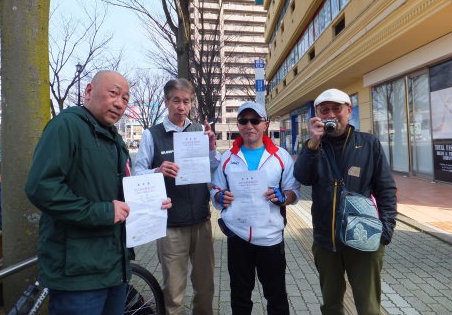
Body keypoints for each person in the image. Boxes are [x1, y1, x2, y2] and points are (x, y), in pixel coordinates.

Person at [25, 71, 171, 315]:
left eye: (125, 98)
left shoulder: (114, 139)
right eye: (113, 93)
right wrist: (103, 212)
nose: (120, 103)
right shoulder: (67, 126)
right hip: (78, 272)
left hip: (114, 266)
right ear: (89, 91)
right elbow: (41, 188)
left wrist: (151, 204)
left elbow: (121, 194)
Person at [294, 88, 397, 315]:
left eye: (336, 109)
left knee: (368, 306)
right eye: (324, 110)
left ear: (349, 111)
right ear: (318, 114)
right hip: (325, 240)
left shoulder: (368, 143)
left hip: (365, 238)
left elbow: (386, 188)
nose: (331, 114)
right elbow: (302, 178)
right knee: (331, 305)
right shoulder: (313, 146)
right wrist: (312, 143)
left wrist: (386, 230)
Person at [134, 78, 219, 315]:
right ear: (166, 102)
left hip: (202, 221)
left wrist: (212, 148)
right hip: (170, 225)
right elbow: (138, 173)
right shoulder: (153, 135)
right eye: (176, 101)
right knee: (172, 290)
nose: (181, 107)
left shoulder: (200, 131)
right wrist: (157, 171)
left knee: (206, 286)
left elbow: (214, 170)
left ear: (191, 103)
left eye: (186, 101)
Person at [211, 102, 300, 315]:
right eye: (243, 121)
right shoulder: (227, 158)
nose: (249, 125)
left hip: (271, 237)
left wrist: (283, 197)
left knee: (276, 296)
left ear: (265, 124)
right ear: (238, 125)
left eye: (255, 120)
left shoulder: (281, 156)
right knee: (240, 297)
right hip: (238, 236)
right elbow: (215, 189)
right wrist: (219, 196)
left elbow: (294, 190)